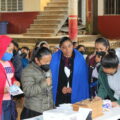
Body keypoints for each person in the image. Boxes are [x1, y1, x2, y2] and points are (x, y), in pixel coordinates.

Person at [50, 37, 89, 106]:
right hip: (59, 94)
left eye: (69, 46)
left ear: (73, 46)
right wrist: (60, 88)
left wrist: (73, 87)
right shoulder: (54, 58)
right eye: (64, 47)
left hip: (75, 92)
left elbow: (83, 79)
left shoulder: (79, 58)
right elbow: (52, 77)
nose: (67, 50)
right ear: (60, 48)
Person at [21, 47, 54, 119]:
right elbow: (28, 91)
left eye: (49, 61)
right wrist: (44, 83)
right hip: (34, 111)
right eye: (45, 62)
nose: (48, 64)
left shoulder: (47, 69)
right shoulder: (28, 71)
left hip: (48, 110)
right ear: (37, 60)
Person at [0, 35, 20, 120]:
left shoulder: (9, 63)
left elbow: (11, 78)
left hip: (9, 99)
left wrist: (15, 82)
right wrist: (2, 90)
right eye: (9, 50)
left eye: (12, 50)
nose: (11, 53)